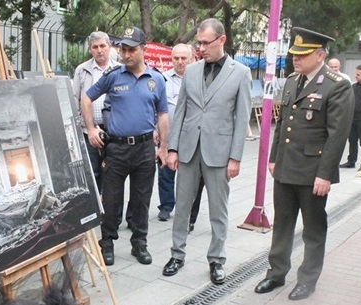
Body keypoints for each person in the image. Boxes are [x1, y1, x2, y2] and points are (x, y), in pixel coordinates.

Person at [254, 27, 354, 301]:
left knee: (313, 229)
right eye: (294, 53)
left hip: (313, 173)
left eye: (302, 54)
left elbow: (337, 135)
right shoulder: (291, 81)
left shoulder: (337, 85)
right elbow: (282, 124)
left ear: (320, 54)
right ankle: (276, 273)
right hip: (286, 168)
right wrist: (274, 158)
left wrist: (325, 175)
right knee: (283, 225)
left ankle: (307, 280)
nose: (295, 58)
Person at [162, 18, 252, 285]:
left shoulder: (240, 73)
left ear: (221, 40)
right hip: (189, 150)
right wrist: (173, 148)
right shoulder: (191, 71)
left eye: (205, 42)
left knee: (218, 210)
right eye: (198, 43)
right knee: (181, 208)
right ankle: (177, 255)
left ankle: (216, 260)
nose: (200, 48)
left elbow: (242, 118)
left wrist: (235, 157)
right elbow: (180, 112)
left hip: (219, 153)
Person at [81, 26, 168, 266]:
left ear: (144, 49)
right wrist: (90, 128)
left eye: (132, 49)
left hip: (143, 149)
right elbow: (86, 98)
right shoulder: (113, 76)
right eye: (123, 49)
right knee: (111, 200)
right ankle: (106, 243)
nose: (126, 54)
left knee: (141, 200)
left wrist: (163, 147)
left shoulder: (156, 79)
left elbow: (162, 115)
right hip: (116, 149)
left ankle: (139, 244)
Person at [73, 31, 119, 194]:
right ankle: (96, 212)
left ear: (109, 47)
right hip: (89, 131)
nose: (99, 50)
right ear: (90, 49)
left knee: (113, 174)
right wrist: (86, 127)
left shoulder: (119, 69)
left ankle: (112, 213)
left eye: (102, 46)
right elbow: (76, 99)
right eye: (95, 47)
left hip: (114, 131)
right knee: (93, 172)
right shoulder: (82, 70)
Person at [156, 43, 194, 221]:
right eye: (176, 58)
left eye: (183, 58)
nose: (179, 62)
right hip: (168, 136)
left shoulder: (198, 78)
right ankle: (166, 205)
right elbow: (154, 107)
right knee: (165, 173)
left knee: (189, 176)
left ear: (191, 58)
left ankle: (187, 208)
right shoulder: (162, 79)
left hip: (191, 137)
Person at [339, 64, 361, 172]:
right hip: (352, 118)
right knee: (352, 141)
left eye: (358, 74)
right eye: (355, 74)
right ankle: (351, 161)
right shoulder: (354, 86)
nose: (356, 76)